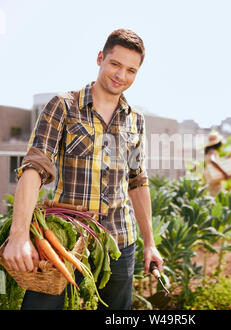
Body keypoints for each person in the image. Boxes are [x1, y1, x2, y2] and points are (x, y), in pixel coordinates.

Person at [2, 29, 163, 310]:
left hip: (120, 240)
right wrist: (18, 236)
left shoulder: (136, 121)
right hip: (65, 241)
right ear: (100, 58)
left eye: (131, 70)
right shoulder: (64, 106)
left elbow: (138, 182)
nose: (121, 76)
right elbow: (34, 168)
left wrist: (150, 243)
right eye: (115, 64)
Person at [204, 131, 229, 197]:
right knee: (218, 196)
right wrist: (223, 172)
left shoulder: (208, 151)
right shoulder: (213, 151)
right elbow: (213, 160)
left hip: (209, 176)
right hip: (215, 177)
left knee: (212, 195)